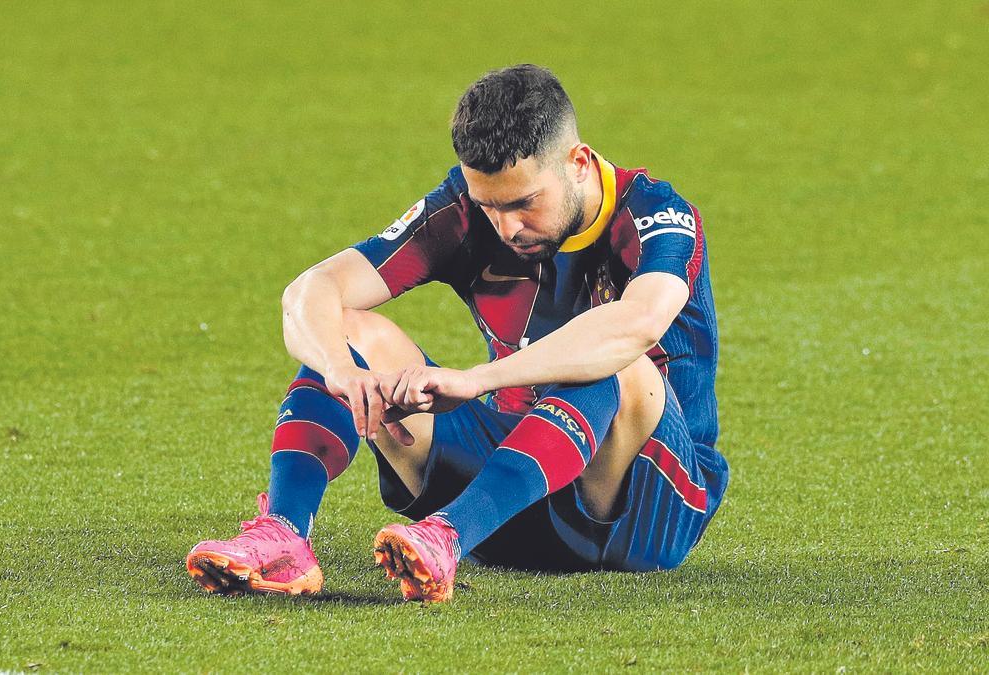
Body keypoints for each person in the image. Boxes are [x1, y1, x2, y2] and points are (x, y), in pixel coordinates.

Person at [186, 64, 729, 602]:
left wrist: (478, 380)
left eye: (524, 203)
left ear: (579, 163)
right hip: (508, 498)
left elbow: (635, 324)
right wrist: (340, 370)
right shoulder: (464, 210)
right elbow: (312, 291)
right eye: (490, 205)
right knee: (352, 331)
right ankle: (285, 535)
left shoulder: (656, 212)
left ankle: (449, 535)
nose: (507, 227)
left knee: (615, 361)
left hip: (639, 510)